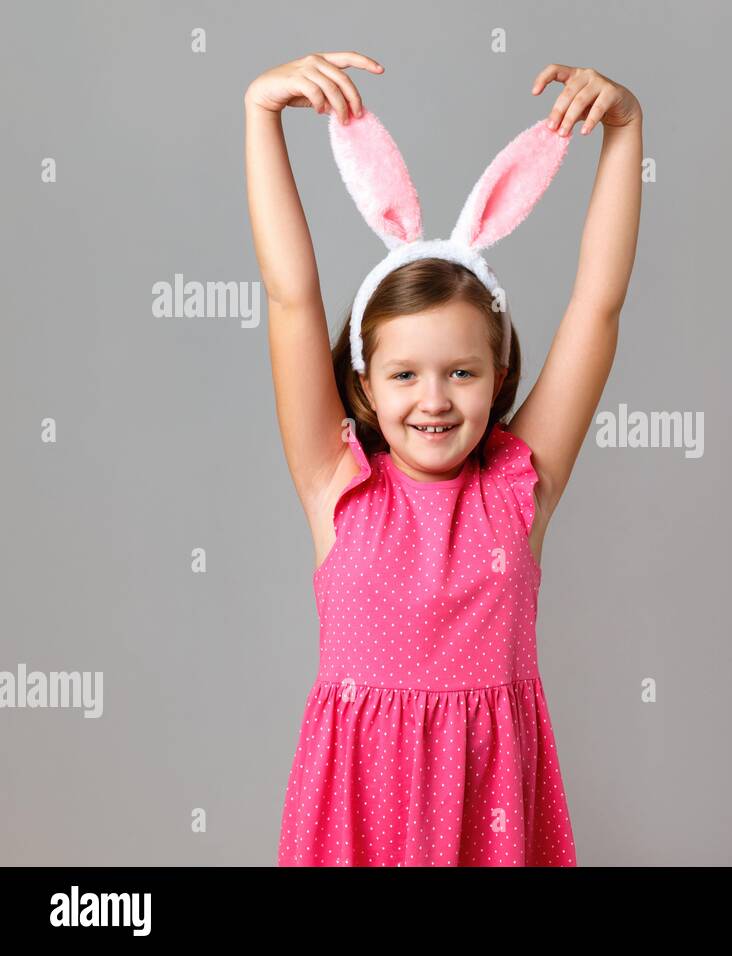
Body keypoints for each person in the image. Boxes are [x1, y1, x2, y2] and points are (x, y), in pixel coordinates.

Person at [243, 50, 642, 865]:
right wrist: (261, 118)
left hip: (489, 809)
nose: (434, 399)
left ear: (499, 374)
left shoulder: (519, 486)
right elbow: (290, 297)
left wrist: (625, 133)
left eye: (462, 372)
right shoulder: (336, 483)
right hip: (356, 807)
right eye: (404, 374)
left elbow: (597, 307)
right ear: (362, 375)